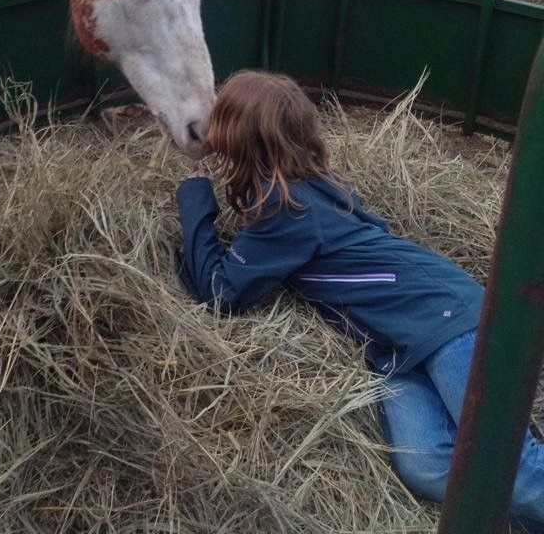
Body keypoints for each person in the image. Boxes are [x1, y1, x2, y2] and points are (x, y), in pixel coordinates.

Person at [175, 70, 544, 530]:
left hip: (445, 319)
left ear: (238, 134)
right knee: (423, 463)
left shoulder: (287, 208)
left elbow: (220, 293)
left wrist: (194, 200)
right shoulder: (302, 189)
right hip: (399, 345)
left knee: (503, 462)